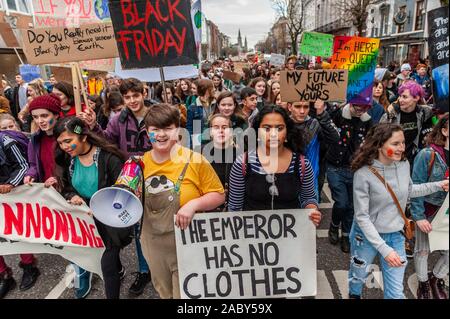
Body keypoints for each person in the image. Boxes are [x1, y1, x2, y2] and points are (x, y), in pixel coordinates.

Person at [349, 123, 448, 299]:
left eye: (402, 143)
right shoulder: (363, 174)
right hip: (365, 237)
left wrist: (439, 185)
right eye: (395, 144)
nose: (401, 148)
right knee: (358, 277)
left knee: (395, 292)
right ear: (379, 144)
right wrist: (384, 250)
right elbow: (362, 217)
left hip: (395, 235)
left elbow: (409, 190)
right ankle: (353, 294)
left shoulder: (403, 165)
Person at [140, 103, 225, 298]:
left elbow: (219, 194)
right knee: (164, 293)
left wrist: (193, 205)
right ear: (147, 132)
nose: (161, 135)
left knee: (186, 295)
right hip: (154, 245)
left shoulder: (195, 160)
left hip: (188, 243)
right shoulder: (139, 163)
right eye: (155, 129)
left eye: (168, 128)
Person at [81, 77, 152, 296]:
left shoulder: (155, 114)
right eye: (127, 97)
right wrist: (94, 126)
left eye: (135, 96)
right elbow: (107, 141)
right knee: (132, 224)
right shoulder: (117, 119)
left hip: (154, 175)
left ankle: (146, 268)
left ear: (144, 93)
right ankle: (137, 269)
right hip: (128, 178)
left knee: (146, 227)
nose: (132, 101)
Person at [54, 117, 133, 299]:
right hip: (87, 222)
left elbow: (122, 194)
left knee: (106, 266)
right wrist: (72, 195)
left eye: (68, 141)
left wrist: (100, 207)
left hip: (110, 222)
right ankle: (118, 269)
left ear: (83, 137)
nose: (64, 146)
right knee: (107, 261)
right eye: (60, 143)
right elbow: (67, 187)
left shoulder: (110, 159)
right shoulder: (67, 160)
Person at [227, 105, 321, 228]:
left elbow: (308, 198)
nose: (273, 134)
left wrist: (312, 210)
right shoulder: (242, 163)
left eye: (279, 128)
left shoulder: (302, 164)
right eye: (266, 128)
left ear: (287, 131)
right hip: (252, 237)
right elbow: (235, 207)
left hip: (291, 234)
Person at [0, 114, 40, 298]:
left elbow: (24, 165)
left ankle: (29, 266)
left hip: (12, 193)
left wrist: (11, 184)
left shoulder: (6, 140)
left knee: (17, 229)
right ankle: (4, 275)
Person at [411, 114, 449, 299]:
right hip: (429, 210)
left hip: (447, 214)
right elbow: (415, 187)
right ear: (444, 131)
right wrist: (418, 216)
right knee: (422, 251)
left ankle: (436, 278)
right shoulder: (427, 154)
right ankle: (423, 284)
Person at [326, 103, 373, 253]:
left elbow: (372, 142)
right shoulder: (338, 115)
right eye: (358, 107)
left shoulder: (367, 121)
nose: (360, 111)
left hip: (355, 169)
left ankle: (346, 235)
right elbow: (326, 122)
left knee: (352, 206)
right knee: (341, 203)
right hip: (335, 167)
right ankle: (334, 226)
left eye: (364, 108)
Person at [288, 100, 340, 198]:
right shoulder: (283, 124)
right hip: (287, 179)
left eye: (306, 107)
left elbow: (335, 138)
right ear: (290, 107)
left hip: (310, 180)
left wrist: (322, 114)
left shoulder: (315, 124)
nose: (302, 111)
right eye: (298, 107)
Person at [380, 80, 433, 166]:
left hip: (411, 159)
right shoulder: (390, 115)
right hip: (391, 159)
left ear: (416, 98)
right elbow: (378, 138)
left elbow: (439, 111)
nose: (400, 100)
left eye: (405, 97)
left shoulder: (423, 112)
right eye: (400, 96)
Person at [203, 114, 238, 211]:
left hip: (232, 207)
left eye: (224, 127)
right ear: (210, 132)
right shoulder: (200, 154)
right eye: (216, 127)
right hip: (208, 207)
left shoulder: (240, 155)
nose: (221, 131)